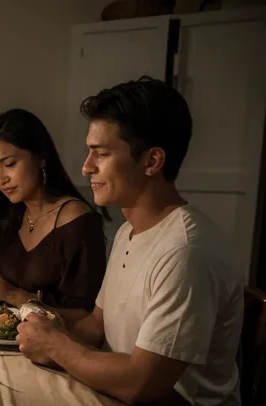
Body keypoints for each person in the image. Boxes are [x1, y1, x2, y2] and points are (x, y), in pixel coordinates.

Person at [15, 77, 244, 406]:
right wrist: (33, 317)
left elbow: (142, 382)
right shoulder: (128, 230)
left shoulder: (185, 251)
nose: (86, 167)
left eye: (101, 154)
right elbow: (97, 326)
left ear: (152, 161)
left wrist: (54, 345)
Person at [0, 109, 108, 312]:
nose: (0, 179)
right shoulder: (5, 214)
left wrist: (12, 294)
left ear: (40, 158)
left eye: (9, 164)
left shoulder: (77, 221)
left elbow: (85, 315)